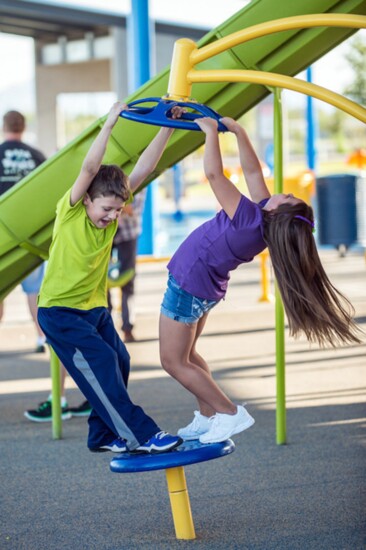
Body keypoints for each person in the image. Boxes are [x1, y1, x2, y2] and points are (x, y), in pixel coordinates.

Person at [159, 116, 361, 445]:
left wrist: (211, 133)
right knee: (190, 356)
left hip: (188, 285)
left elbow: (214, 175)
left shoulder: (248, 218)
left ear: (276, 212)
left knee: (172, 361)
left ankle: (228, 412)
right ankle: (208, 416)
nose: (283, 193)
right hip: (202, 287)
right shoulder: (263, 222)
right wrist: (238, 132)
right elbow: (253, 173)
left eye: (286, 197)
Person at [36, 101, 183, 454]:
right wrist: (110, 122)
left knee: (120, 361)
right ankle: (142, 435)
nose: (112, 215)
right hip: (60, 311)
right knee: (101, 363)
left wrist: (167, 126)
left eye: (118, 209)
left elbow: (146, 168)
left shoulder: (113, 212)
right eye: (106, 209)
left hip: (94, 309)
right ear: (86, 200)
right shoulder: (71, 211)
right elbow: (89, 167)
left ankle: (102, 435)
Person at [0, 110, 47, 352]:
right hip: (30, 235)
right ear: (23, 126)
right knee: (35, 290)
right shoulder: (37, 156)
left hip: (1, 235)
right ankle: (41, 337)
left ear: (3, 126)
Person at [107, 188, 147, 343]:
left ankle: (127, 327)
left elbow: (134, 208)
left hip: (128, 232)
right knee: (101, 282)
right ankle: (106, 326)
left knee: (128, 281)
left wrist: (108, 204)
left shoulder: (139, 180)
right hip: (106, 231)